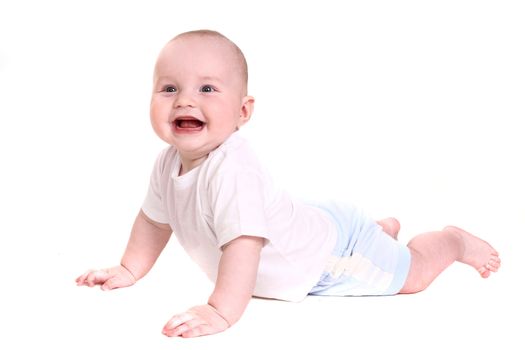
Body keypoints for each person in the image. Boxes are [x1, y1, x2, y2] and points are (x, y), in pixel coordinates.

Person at [75, 29, 501, 338]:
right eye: (169, 88)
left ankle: (451, 241)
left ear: (243, 111)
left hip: (327, 260)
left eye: (207, 88)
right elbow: (154, 222)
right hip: (308, 226)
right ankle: (378, 232)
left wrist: (220, 312)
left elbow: (243, 246)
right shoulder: (168, 162)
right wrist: (130, 268)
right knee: (367, 245)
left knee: (413, 276)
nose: (186, 100)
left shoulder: (233, 171)